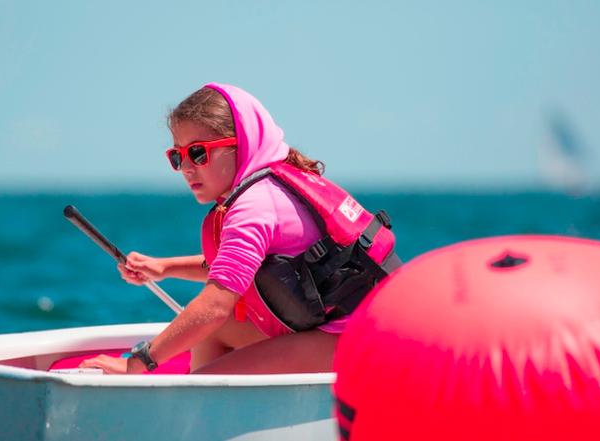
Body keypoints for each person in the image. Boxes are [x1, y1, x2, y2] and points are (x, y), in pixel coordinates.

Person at [81, 83, 399, 375]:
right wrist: (163, 268)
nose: (187, 167)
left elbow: (216, 305)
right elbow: (242, 271)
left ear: (240, 145)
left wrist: (138, 364)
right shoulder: (271, 184)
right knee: (214, 332)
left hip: (362, 341)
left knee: (204, 381)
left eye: (198, 152)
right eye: (178, 156)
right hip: (362, 330)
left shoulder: (255, 206)